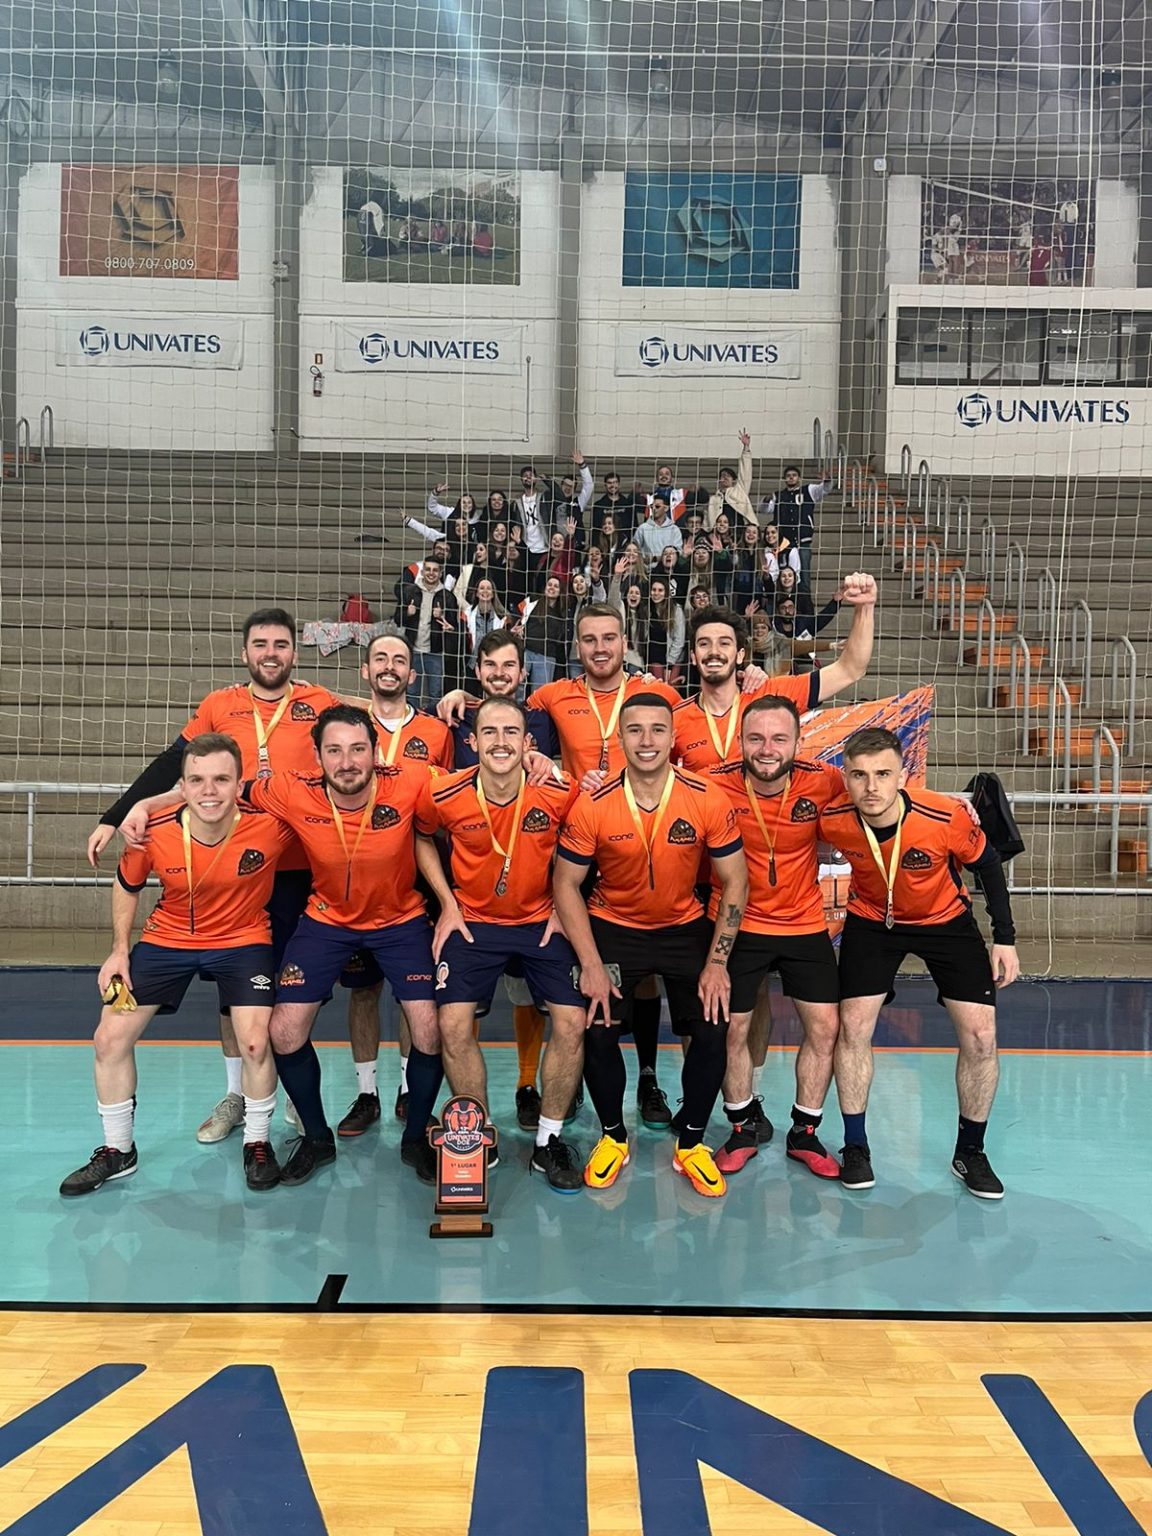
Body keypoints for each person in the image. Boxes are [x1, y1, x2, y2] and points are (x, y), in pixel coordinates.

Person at [83, 607, 340, 1145]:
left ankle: (290, 1091)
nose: (270, 653)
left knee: (287, 993)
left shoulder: (320, 702)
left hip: (295, 867)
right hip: (229, 860)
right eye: (260, 644)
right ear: (245, 653)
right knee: (233, 990)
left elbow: (365, 732)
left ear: (295, 652)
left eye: (280, 644)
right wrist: (120, 812)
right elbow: (175, 768)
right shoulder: (219, 705)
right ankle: (236, 1096)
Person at [440, 604, 683, 1128]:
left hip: (627, 843)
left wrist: (752, 676)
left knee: (636, 975)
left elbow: (704, 716)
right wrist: (460, 695)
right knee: (540, 986)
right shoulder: (546, 699)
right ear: (576, 646)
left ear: (625, 642)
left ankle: (646, 1078)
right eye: (589, 639)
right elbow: (499, 712)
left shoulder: (658, 695)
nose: (600, 647)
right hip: (564, 853)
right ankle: (535, 1085)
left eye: (609, 637)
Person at [60, 733, 296, 1197]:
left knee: (254, 1041)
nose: (209, 791)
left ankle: (257, 1142)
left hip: (243, 940)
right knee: (108, 1037)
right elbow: (127, 885)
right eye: (197, 780)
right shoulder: (153, 829)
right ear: (182, 787)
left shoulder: (270, 825)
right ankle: (118, 1150)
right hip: (166, 941)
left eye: (221, 780)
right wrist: (119, 950)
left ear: (239, 784)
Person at [243, 704, 445, 1186]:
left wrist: (538, 763)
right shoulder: (291, 789)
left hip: (400, 920)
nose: (347, 762)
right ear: (317, 757)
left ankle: (415, 1137)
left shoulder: (413, 779)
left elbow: (479, 782)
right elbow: (222, 786)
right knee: (284, 1031)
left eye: (358, 749)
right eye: (334, 751)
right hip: (326, 919)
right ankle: (317, 1138)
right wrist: (142, 807)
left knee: (429, 1029)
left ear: (376, 752)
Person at [553, 696, 748, 1196]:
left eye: (658, 729)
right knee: (598, 1027)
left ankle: (692, 1144)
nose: (646, 741)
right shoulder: (593, 803)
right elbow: (565, 884)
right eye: (635, 730)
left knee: (713, 1025)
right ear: (620, 737)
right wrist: (591, 963)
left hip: (684, 926)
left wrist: (717, 963)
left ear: (672, 737)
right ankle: (613, 1137)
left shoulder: (705, 797)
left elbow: (735, 880)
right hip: (614, 925)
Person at [818, 727, 1020, 1198]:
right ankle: (855, 1146)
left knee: (981, 1036)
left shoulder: (944, 816)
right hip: (873, 921)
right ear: (846, 778)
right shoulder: (833, 819)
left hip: (945, 922)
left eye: (883, 774)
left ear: (903, 775)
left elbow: (988, 865)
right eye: (859, 775)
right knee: (853, 1027)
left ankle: (970, 1152)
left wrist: (1005, 939)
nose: (871, 786)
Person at [417, 698, 588, 1191]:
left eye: (511, 732)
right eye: (489, 732)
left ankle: (549, 1140)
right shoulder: (445, 791)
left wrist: (562, 907)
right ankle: (478, 1135)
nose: (500, 742)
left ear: (528, 742)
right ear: (472, 741)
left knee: (572, 1021)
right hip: (473, 923)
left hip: (540, 922)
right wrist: (446, 902)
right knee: (451, 1024)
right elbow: (421, 836)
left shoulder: (558, 791)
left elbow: (585, 845)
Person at [707, 700, 844, 1179]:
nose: (767, 749)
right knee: (732, 1030)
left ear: (798, 743)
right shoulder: (711, 783)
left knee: (826, 1029)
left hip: (804, 923)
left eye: (779, 738)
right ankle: (742, 1126)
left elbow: (881, 795)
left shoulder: (825, 780)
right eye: (756, 738)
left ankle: (804, 1131)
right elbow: (650, 783)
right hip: (737, 925)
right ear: (740, 741)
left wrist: (954, 807)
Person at [440, 629, 561, 1129]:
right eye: (489, 665)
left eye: (508, 665)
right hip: (469, 884)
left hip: (532, 883)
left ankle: (528, 1084)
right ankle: (467, 1117)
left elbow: (563, 785)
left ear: (522, 672)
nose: (499, 674)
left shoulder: (543, 720)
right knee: (459, 1008)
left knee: (525, 993)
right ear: (476, 671)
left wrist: (548, 763)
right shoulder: (452, 717)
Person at [346, 632, 455, 1132]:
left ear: (413, 674)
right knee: (363, 991)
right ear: (365, 671)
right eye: (380, 659)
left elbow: (444, 805)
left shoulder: (436, 731)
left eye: (399, 660)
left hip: (418, 881)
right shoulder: (348, 728)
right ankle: (366, 1093)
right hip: (358, 879)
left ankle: (411, 1091)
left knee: (416, 992)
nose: (389, 667)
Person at [394, 556, 459, 708]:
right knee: (411, 693)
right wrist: (407, 613)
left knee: (436, 693)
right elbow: (397, 619)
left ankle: (434, 721)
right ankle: (413, 720)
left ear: (441, 573)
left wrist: (446, 622)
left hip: (435, 653)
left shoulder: (448, 597)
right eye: (428, 569)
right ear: (422, 572)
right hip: (413, 651)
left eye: (435, 570)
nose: (431, 573)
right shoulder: (410, 592)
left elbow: (454, 626)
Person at [761, 468, 835, 593]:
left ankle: (804, 602)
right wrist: (766, 500)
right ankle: (782, 601)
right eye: (788, 475)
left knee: (804, 577)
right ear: (784, 479)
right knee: (782, 575)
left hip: (802, 542)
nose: (791, 477)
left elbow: (825, 489)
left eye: (794, 475)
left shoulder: (808, 490)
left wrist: (827, 480)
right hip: (784, 545)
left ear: (799, 478)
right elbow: (764, 509)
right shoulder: (778, 495)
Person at [520, 575, 571, 689]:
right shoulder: (532, 601)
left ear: (560, 591)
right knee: (517, 686)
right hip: (526, 652)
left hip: (546, 657)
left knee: (540, 692)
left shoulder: (563, 613)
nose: (552, 587)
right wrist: (519, 628)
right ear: (545, 588)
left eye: (556, 586)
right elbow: (517, 616)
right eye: (549, 585)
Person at [705, 429, 756, 530]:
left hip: (739, 532)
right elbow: (707, 523)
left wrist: (746, 448)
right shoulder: (713, 499)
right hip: (719, 534)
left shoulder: (740, 491)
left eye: (728, 475)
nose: (725, 477)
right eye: (722, 475)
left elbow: (745, 472)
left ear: (733, 480)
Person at [644, 576, 685, 685]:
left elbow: (679, 640)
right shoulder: (646, 610)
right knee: (658, 688)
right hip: (654, 658)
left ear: (666, 592)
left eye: (660, 590)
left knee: (671, 688)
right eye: (654, 590)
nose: (656, 593)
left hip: (672, 658)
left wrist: (669, 664)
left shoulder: (676, 610)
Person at [634, 494, 683, 569]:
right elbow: (635, 549)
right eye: (652, 506)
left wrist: (655, 558)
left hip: (668, 571)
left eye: (657, 506)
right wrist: (643, 559)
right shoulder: (643, 528)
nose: (653, 509)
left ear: (666, 508)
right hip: (647, 570)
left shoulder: (674, 529)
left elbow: (678, 553)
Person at [592, 470, 640, 536]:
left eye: (615, 482)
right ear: (605, 485)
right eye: (609, 483)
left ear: (619, 484)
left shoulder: (629, 505)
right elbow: (594, 531)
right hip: (604, 541)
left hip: (625, 541)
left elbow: (634, 527)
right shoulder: (598, 506)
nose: (612, 485)